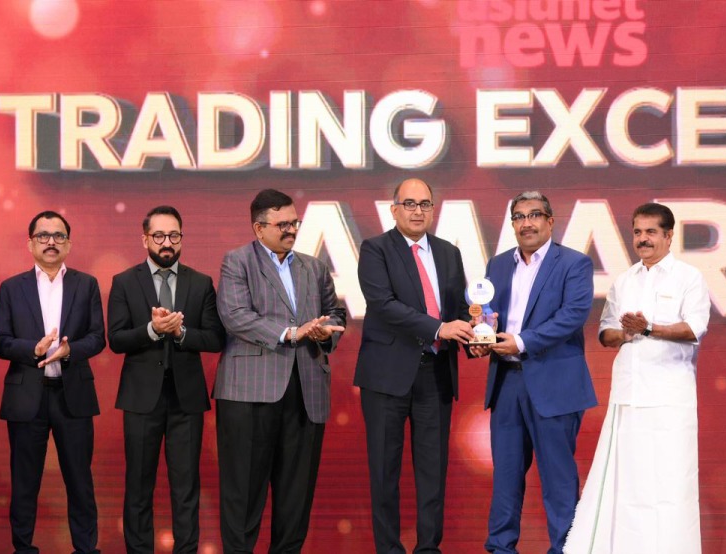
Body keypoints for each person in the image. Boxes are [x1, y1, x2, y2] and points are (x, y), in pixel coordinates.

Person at [564, 203, 711, 553]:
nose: (642, 240)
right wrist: (627, 334)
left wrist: (649, 328)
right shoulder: (624, 281)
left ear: (669, 236)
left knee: (670, 487)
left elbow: (694, 329)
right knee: (629, 487)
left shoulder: (689, 277)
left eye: (651, 232)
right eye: (637, 232)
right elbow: (605, 333)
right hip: (628, 397)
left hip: (669, 399)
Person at [214, 189, 346, 553]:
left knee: (295, 496)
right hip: (249, 394)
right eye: (282, 224)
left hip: (306, 392)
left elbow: (336, 313)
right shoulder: (237, 261)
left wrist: (324, 330)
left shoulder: (313, 266)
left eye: (294, 222)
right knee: (243, 494)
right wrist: (291, 333)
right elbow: (235, 316)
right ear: (259, 228)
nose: (291, 230)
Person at [355, 178, 473, 554]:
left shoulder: (448, 252)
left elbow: (458, 310)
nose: (418, 211)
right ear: (394, 210)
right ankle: (389, 549)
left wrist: (478, 334)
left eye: (425, 204)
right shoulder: (375, 249)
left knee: (432, 473)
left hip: (435, 373)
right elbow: (384, 305)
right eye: (410, 203)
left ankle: (428, 548)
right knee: (384, 472)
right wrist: (440, 327)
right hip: (387, 376)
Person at [474, 190, 597, 554]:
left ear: (550, 221)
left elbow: (573, 316)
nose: (526, 223)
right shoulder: (497, 265)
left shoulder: (574, 263)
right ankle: (500, 548)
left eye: (534, 215)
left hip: (554, 382)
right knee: (506, 478)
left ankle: (566, 548)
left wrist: (522, 342)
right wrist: (481, 337)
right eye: (519, 216)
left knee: (558, 479)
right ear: (512, 223)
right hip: (507, 381)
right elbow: (488, 316)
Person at [107, 205, 226, 554]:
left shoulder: (200, 282)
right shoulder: (124, 282)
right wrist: (152, 330)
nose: (167, 243)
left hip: (186, 400)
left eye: (174, 235)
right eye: (159, 236)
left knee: (186, 487)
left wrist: (181, 331)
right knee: (138, 486)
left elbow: (215, 338)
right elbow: (115, 339)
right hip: (141, 399)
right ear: (145, 238)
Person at [0, 210, 106, 554]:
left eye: (58, 236)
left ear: (69, 244)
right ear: (30, 244)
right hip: (27, 396)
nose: (51, 242)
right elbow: (0, 342)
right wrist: (34, 349)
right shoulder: (12, 288)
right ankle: (23, 547)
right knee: (25, 481)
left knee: (80, 481)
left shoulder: (86, 285)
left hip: (73, 395)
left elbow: (98, 337)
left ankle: (86, 549)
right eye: (43, 236)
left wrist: (69, 351)